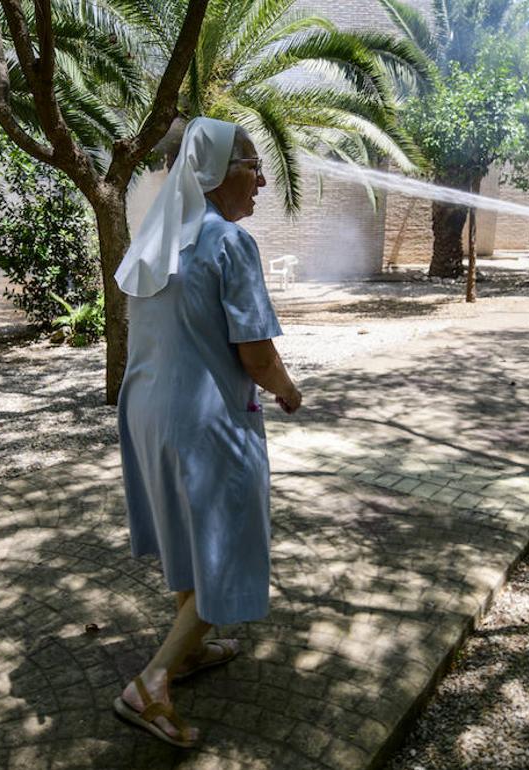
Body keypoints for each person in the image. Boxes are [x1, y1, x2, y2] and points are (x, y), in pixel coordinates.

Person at [112, 117, 302, 748]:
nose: (262, 181)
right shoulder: (229, 241)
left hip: (147, 412)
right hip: (205, 419)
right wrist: (287, 389)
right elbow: (256, 354)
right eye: (252, 166)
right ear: (217, 171)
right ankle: (152, 683)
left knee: (188, 532)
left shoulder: (157, 237)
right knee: (229, 541)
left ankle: (189, 649)